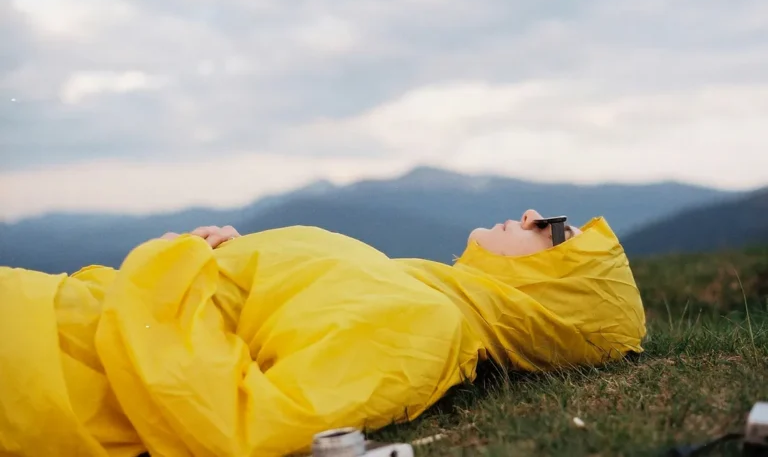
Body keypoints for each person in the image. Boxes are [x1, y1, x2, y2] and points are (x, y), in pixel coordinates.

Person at [0, 209, 646, 457]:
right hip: (57, 324)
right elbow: (280, 314)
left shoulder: (426, 326)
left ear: (552, 296)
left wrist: (171, 273)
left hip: (47, 365)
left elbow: (243, 426)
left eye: (553, 232)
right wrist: (233, 261)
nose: (532, 215)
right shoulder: (424, 293)